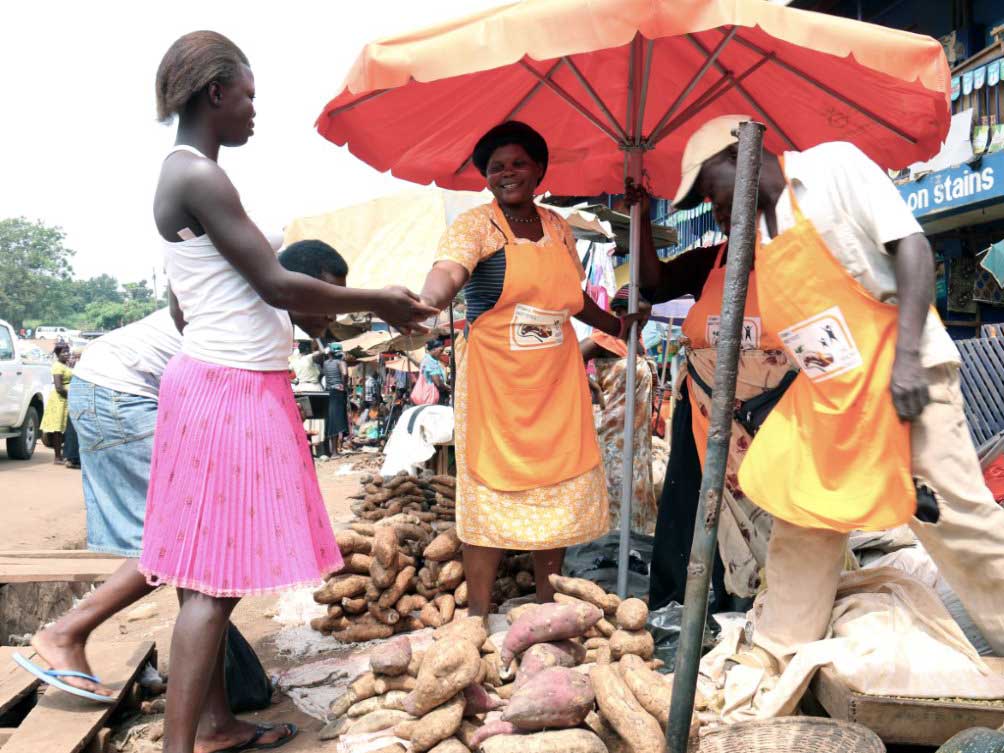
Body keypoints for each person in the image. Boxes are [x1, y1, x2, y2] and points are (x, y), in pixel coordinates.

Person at [142, 32, 434, 753]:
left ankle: (211, 725)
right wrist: (378, 301)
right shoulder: (202, 178)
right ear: (215, 93)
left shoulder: (186, 177)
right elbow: (273, 284)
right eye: (247, 97)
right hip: (232, 390)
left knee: (201, 575)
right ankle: (183, 745)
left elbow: (195, 305)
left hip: (214, 379)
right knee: (212, 582)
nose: (252, 112)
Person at [669, 114, 1004, 666]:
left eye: (711, 191)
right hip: (833, 395)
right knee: (803, 512)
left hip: (903, 375)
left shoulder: (833, 168)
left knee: (952, 515)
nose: (714, 209)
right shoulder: (760, 234)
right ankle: (779, 653)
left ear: (741, 154)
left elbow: (913, 249)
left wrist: (910, 359)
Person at [18, 242, 350, 712]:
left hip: (119, 391)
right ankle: (66, 632)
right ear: (299, 285)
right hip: (122, 394)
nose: (331, 315)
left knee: (193, 555)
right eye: (329, 297)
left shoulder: (266, 315)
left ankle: (213, 720)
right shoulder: (257, 308)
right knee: (180, 546)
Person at [419, 120, 642, 616]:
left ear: (540, 170)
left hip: (556, 381)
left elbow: (573, 298)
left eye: (519, 163)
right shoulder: (475, 225)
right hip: (496, 381)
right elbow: (449, 271)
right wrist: (428, 300)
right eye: (497, 167)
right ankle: (477, 614)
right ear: (486, 177)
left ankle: (548, 607)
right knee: (491, 488)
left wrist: (616, 323)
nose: (508, 173)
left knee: (558, 491)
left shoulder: (559, 227)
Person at [635, 194, 794, 611]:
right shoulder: (709, 261)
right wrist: (638, 214)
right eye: (720, 208)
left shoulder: (791, 257)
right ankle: (671, 605)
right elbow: (655, 282)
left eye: (734, 204)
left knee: (764, 505)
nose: (725, 214)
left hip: (769, 410)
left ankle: (759, 601)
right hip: (702, 407)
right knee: (687, 500)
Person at [579, 285, 657, 535]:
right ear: (621, 312)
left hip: (635, 435)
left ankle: (631, 543)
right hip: (612, 434)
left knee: (633, 488)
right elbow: (571, 357)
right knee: (613, 488)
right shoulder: (606, 338)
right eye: (639, 315)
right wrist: (589, 383)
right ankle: (608, 543)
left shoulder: (639, 344)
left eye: (647, 317)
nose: (643, 322)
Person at [40, 342, 73, 464]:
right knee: (57, 429)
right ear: (58, 354)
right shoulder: (57, 366)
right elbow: (59, 387)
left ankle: (66, 455)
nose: (67, 354)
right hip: (60, 400)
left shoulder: (66, 365)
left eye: (68, 351)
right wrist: (72, 397)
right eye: (64, 352)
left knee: (67, 428)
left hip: (67, 399)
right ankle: (57, 457)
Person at [323, 343, 349, 456]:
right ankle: (334, 451)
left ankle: (332, 450)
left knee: (331, 420)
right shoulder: (341, 362)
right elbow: (345, 373)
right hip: (338, 392)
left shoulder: (325, 363)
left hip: (328, 392)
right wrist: (344, 384)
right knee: (337, 420)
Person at [421, 339, 450, 405]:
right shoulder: (431, 361)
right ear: (434, 349)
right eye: (440, 350)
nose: (441, 353)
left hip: (429, 395)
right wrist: (447, 388)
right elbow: (438, 382)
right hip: (435, 395)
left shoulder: (427, 359)